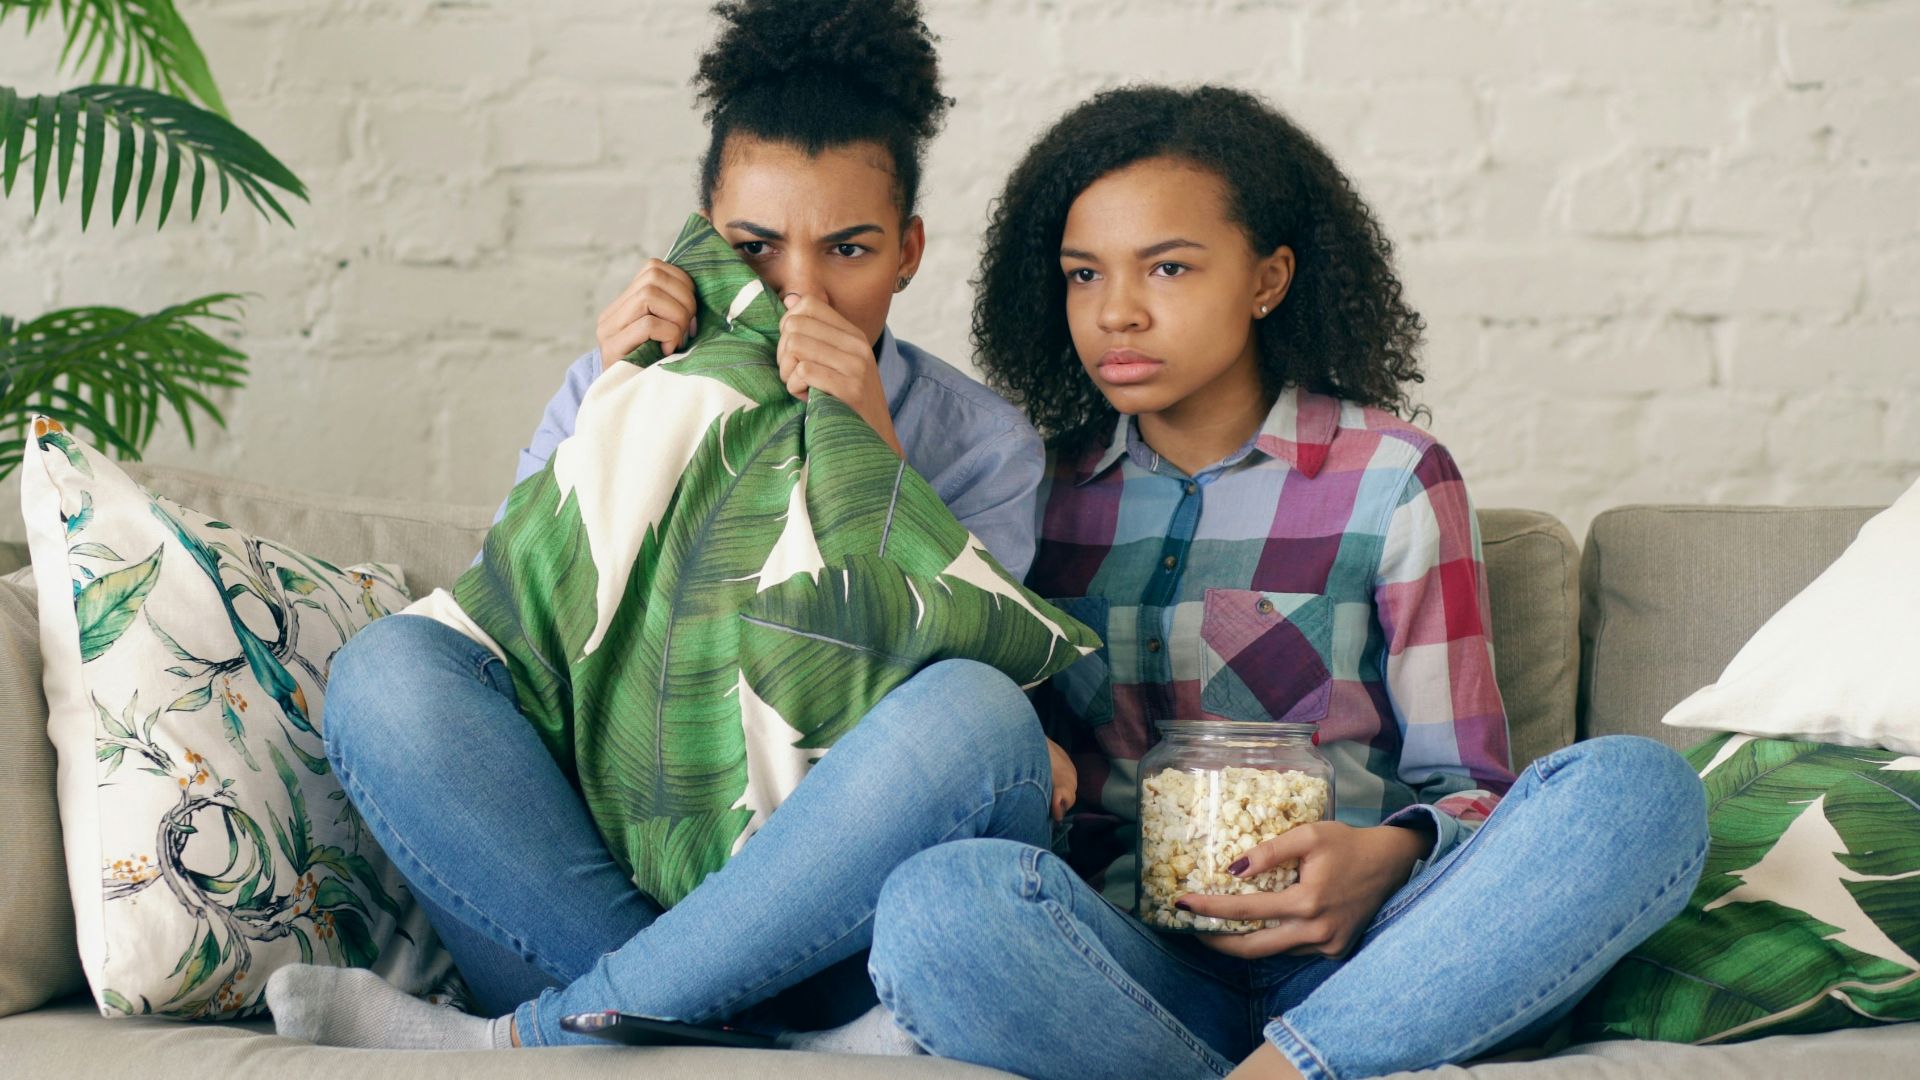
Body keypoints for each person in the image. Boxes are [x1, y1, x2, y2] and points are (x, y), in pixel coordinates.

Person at [267, 0, 1071, 1054]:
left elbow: (915, 725)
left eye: (851, 250)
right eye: (756, 246)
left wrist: (874, 466)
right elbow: (519, 657)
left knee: (977, 711)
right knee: (391, 673)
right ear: (699, 229)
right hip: (590, 906)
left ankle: (525, 1042)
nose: (799, 291)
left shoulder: (983, 446)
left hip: (847, 941)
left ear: (910, 251)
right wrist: (617, 411)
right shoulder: (608, 381)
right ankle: (731, 1041)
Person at [865, 85, 1710, 1080]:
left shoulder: (1394, 478)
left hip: (1366, 959)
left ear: (1267, 280)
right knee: (932, 905)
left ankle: (1291, 1063)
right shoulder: (1035, 494)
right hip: (1128, 966)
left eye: (1168, 267)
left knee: (1635, 790)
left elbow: (1473, 785)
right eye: (1083, 274)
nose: (1116, 311)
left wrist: (1383, 861)